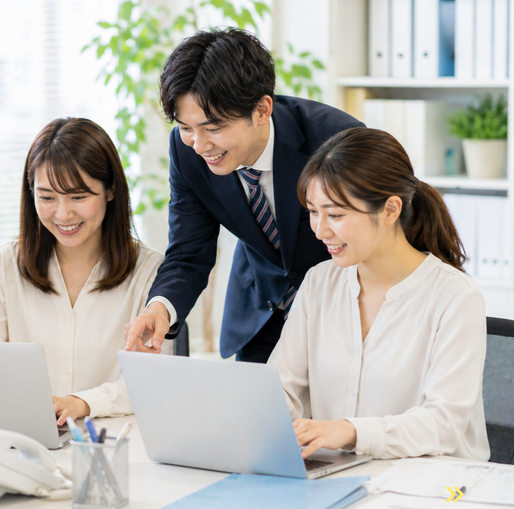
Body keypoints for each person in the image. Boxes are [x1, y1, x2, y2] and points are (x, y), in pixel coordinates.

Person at [124, 28, 364, 362]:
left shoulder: (338, 141)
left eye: (213, 128)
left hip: (344, 311)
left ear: (262, 110)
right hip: (262, 314)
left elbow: (375, 242)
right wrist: (160, 309)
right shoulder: (186, 150)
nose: (200, 145)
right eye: (186, 127)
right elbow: (189, 252)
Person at [267, 128, 489, 461]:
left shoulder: (456, 296)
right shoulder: (319, 282)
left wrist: (351, 431)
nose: (320, 230)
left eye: (336, 215)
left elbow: (443, 424)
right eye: (313, 212)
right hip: (341, 473)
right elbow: (281, 388)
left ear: (389, 210)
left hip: (439, 483)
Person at [0, 117, 167, 425]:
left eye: (78, 196)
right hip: (23, 436)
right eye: (47, 197)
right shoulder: (5, 264)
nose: (62, 214)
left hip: (113, 440)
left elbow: (153, 379)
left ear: (110, 190)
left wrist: (81, 403)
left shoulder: (150, 271)